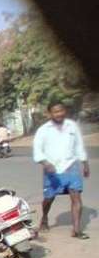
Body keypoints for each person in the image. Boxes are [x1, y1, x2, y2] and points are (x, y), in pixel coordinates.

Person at [33, 101, 90, 237]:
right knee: (49, 198)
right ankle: (45, 218)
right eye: (55, 111)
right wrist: (46, 163)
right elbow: (37, 150)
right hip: (52, 170)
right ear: (50, 113)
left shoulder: (72, 126)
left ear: (65, 111)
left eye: (61, 110)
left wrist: (85, 163)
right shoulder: (43, 130)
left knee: (76, 198)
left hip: (71, 166)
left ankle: (76, 230)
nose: (59, 114)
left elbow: (79, 145)